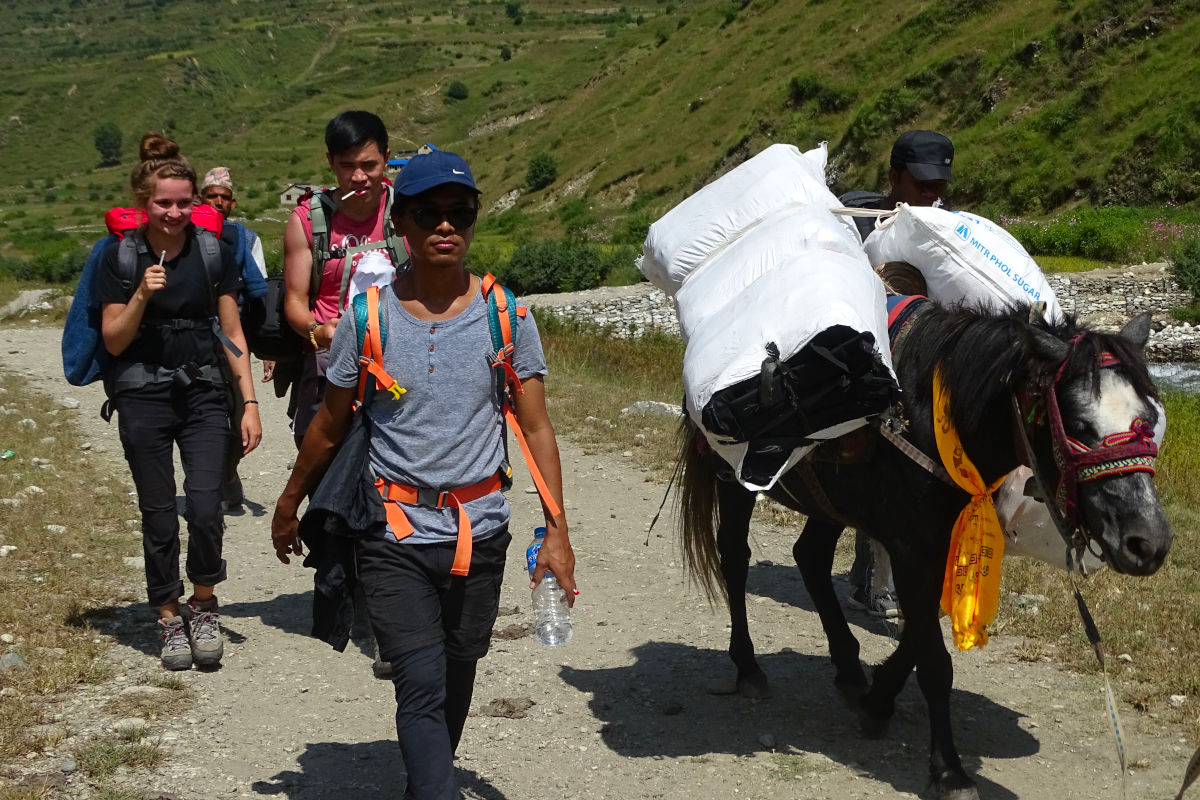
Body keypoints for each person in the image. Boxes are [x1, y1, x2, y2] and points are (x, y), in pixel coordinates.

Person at [271, 150, 576, 800]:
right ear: (401, 223)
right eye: (429, 214)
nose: (446, 226)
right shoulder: (367, 318)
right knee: (419, 681)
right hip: (393, 534)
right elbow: (328, 423)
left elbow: (538, 427)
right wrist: (290, 500)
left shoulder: (508, 316)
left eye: (459, 213)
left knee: (458, 670)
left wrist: (558, 531)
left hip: (482, 532)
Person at [98, 133, 262, 670]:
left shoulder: (213, 251)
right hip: (142, 391)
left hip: (204, 389)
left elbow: (231, 325)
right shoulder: (119, 256)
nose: (173, 212)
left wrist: (250, 401)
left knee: (208, 503)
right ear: (143, 202)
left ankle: (204, 601)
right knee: (158, 510)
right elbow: (115, 340)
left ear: (196, 202)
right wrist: (143, 292)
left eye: (183, 202)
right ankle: (168, 615)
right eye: (163, 202)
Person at [838, 128, 954, 618]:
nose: (931, 193)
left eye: (939, 183)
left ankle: (917, 578)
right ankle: (872, 581)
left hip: (925, 364)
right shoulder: (855, 223)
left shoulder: (947, 228)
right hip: (871, 362)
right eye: (920, 182)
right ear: (894, 176)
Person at [282, 110, 401, 448]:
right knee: (323, 467)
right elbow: (294, 299)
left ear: (387, 159)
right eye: (348, 166)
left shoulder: (407, 211)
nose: (359, 177)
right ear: (331, 162)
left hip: (398, 361)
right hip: (329, 361)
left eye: (369, 165)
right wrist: (316, 331)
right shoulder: (307, 221)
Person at [199, 166, 269, 513]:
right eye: (212, 196)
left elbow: (260, 298)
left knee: (239, 411)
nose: (219, 202)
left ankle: (228, 474)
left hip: (232, 338)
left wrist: (268, 348)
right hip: (194, 340)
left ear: (233, 202)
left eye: (225, 197)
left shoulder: (245, 239)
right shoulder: (183, 236)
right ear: (200, 199)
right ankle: (207, 485)